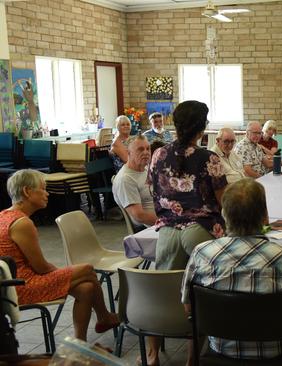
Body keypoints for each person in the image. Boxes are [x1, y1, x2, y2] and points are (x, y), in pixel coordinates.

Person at [181, 178, 282, 365]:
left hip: (222, 349)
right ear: (265, 217)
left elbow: (188, 307)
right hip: (279, 354)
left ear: (224, 215)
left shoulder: (202, 254)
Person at [147, 100, 228, 366]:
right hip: (200, 231)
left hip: (168, 231)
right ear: (202, 127)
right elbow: (223, 200)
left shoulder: (158, 154)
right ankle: (192, 358)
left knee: (165, 292)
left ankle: (150, 354)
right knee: (200, 294)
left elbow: (154, 191)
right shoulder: (209, 158)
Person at [0, 170, 119, 342]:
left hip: (8, 284)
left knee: (86, 288)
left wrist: (66, 275)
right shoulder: (22, 223)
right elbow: (41, 268)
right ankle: (104, 317)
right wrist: (65, 275)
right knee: (86, 269)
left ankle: (80, 343)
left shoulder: (4, 215)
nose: (47, 194)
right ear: (27, 191)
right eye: (43, 189)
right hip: (20, 287)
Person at [112, 135, 157, 231]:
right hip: (149, 228)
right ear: (129, 153)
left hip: (163, 218)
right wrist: (167, 221)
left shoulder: (145, 168)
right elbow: (139, 216)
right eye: (140, 149)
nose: (146, 152)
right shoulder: (126, 179)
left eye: (148, 149)